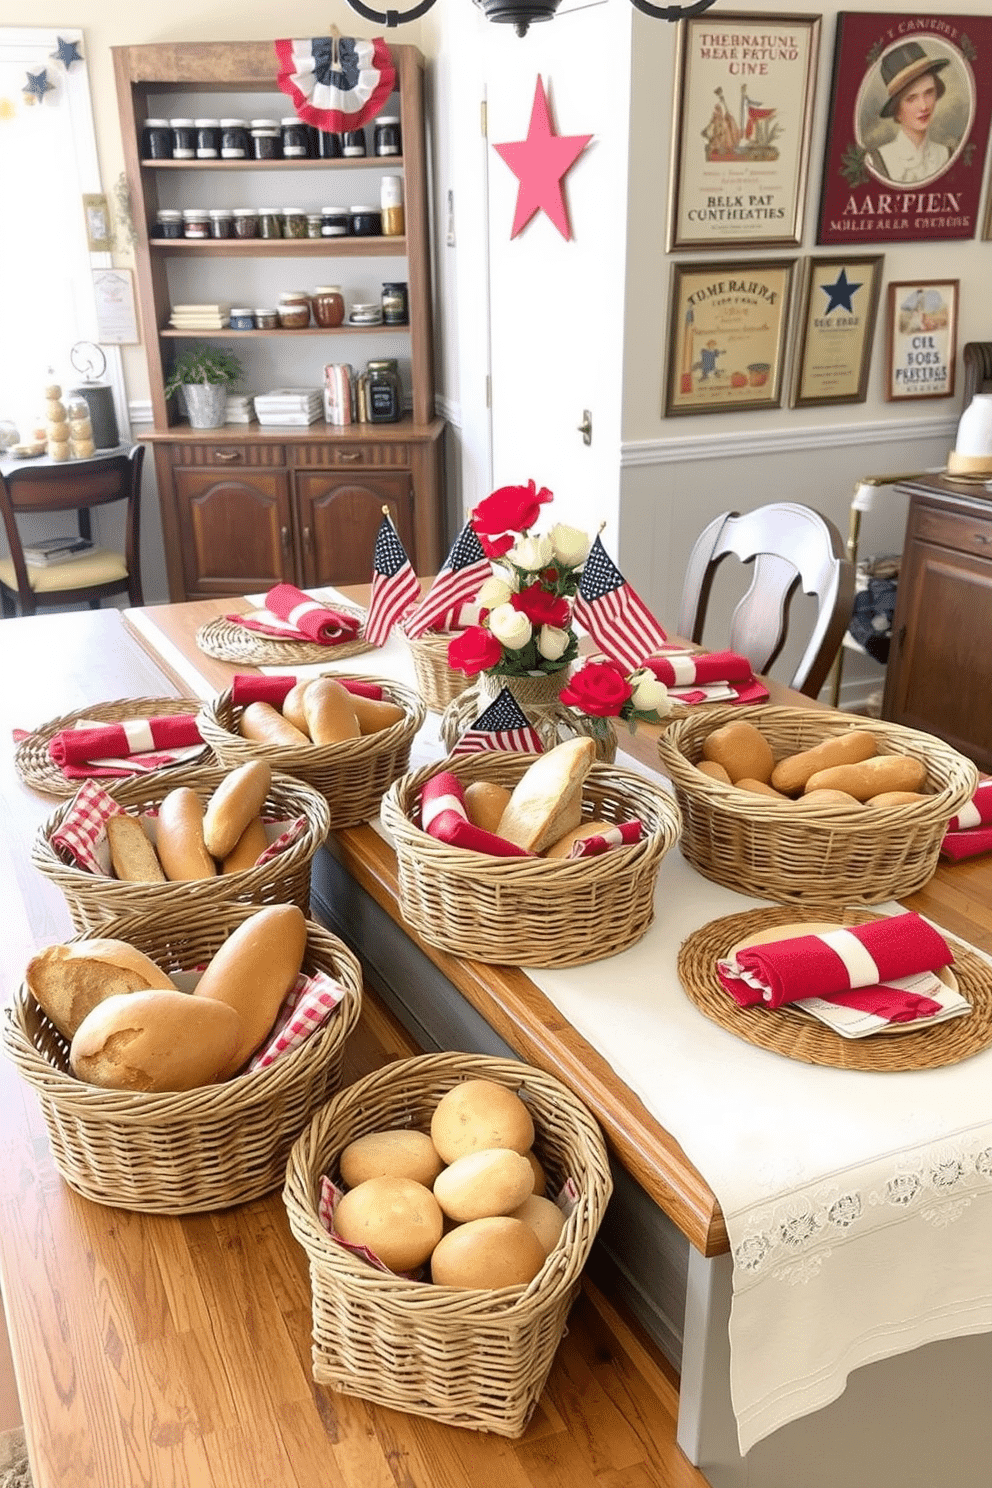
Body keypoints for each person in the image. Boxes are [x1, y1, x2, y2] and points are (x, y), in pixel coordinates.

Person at [868, 41, 956, 185]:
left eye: (929, 92)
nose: (923, 106)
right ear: (897, 111)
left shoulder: (947, 154)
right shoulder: (877, 161)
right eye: (911, 98)